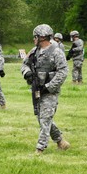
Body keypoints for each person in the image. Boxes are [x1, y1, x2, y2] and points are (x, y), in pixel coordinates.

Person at [21, 24, 70, 155]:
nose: (34, 39)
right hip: (36, 88)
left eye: (35, 37)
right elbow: (24, 64)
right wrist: (27, 73)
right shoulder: (34, 51)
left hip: (50, 91)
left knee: (45, 118)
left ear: (42, 37)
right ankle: (61, 141)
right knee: (41, 117)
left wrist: (49, 87)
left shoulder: (56, 51)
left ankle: (40, 148)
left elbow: (63, 71)